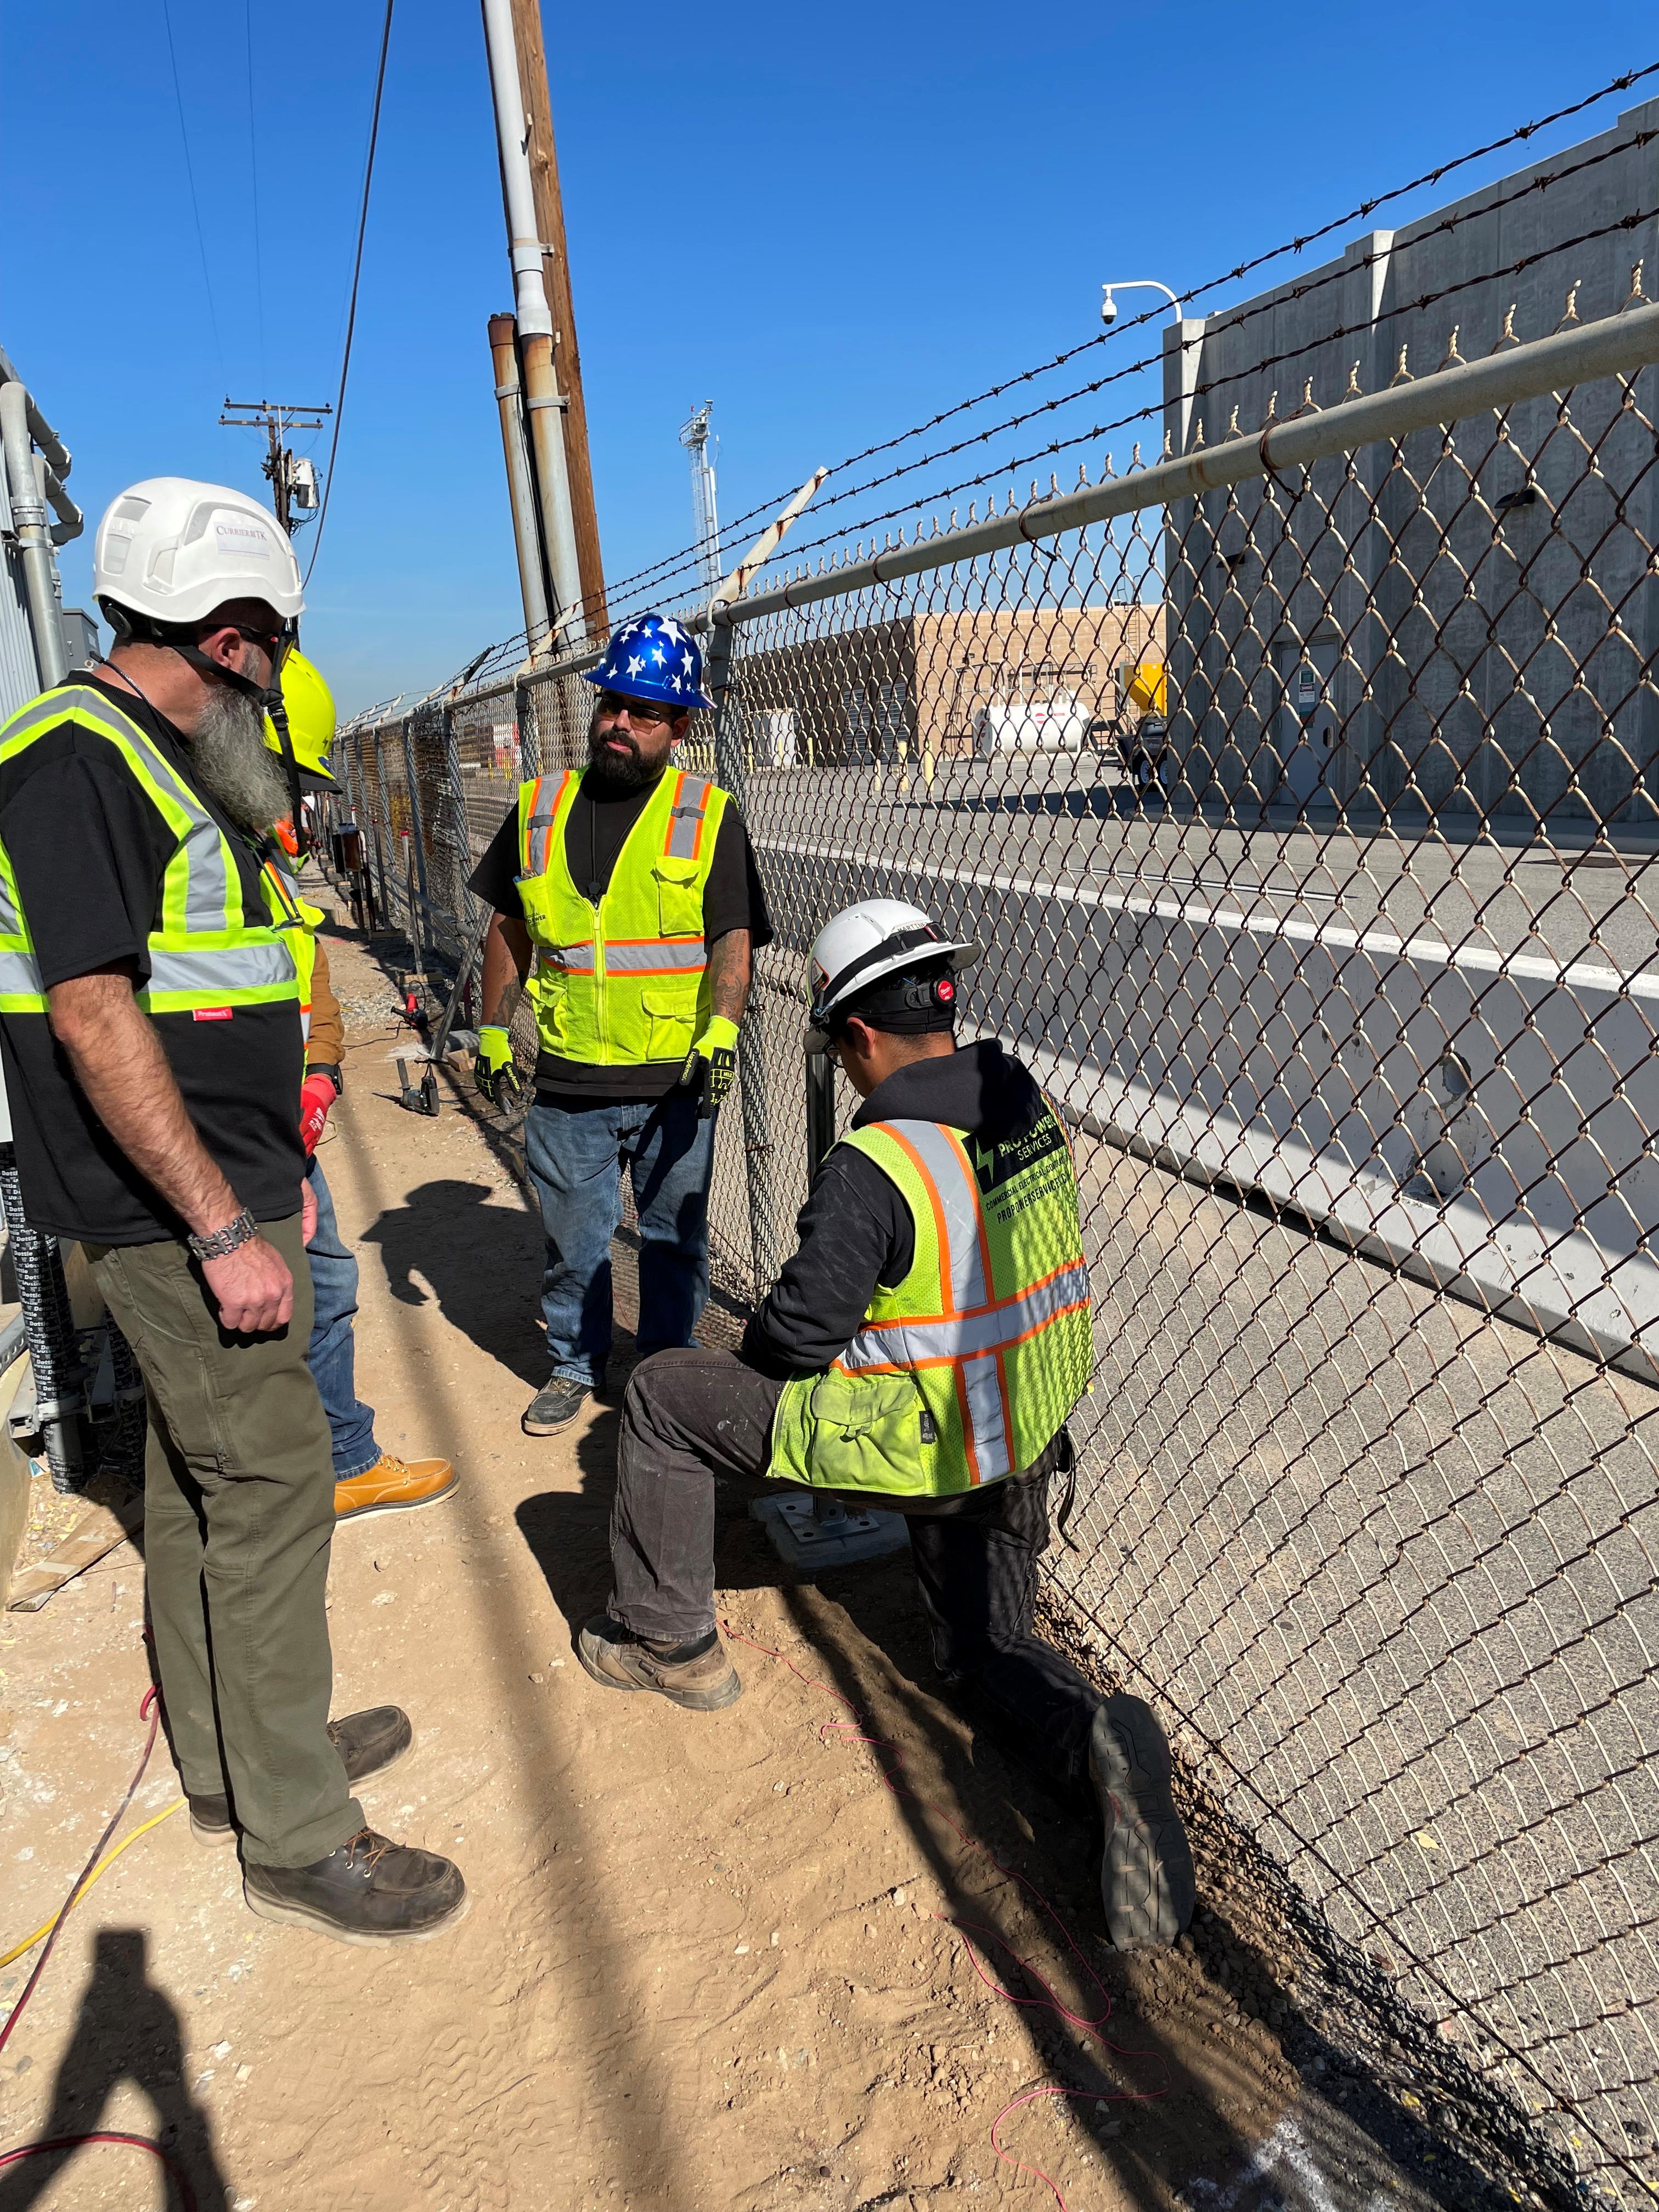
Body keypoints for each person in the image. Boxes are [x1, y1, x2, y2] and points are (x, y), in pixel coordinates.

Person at [0, 478, 464, 1944]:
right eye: (268, 644)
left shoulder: (138, 750)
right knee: (268, 1493)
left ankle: (238, 1759)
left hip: (217, 1187)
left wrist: (272, 1184)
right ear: (230, 634)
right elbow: (93, 1011)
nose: (273, 679)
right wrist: (219, 1226)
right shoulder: (79, 760)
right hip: (170, 1212)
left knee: (209, 1490)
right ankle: (298, 1832)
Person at [577, 900, 1197, 1949]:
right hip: (1020, 1431)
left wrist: (756, 1380)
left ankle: (668, 1641)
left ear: (856, 1036)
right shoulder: (1021, 1104)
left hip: (906, 1439)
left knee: (665, 1397)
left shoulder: (877, 1165)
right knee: (983, 1650)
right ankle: (1094, 1735)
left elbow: (799, 1334)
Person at [470, 610, 772, 1435]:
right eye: (612, 705)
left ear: (678, 725)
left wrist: (720, 1035)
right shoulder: (539, 806)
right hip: (569, 1080)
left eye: (643, 713)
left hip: (677, 1079)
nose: (619, 725)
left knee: (676, 1241)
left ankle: (664, 1373)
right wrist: (494, 1029)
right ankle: (574, 1362)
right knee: (575, 1243)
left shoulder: (708, 813)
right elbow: (508, 926)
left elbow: (731, 937)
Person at [258, 647, 458, 1523]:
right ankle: (318, 1466)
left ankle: (338, 1456)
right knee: (291, 1294)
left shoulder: (257, 857)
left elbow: (311, 983)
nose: (295, 798)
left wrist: (319, 1073)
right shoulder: (197, 855)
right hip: (242, 1139)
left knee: (324, 1283)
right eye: (288, 774)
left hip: (280, 1122)